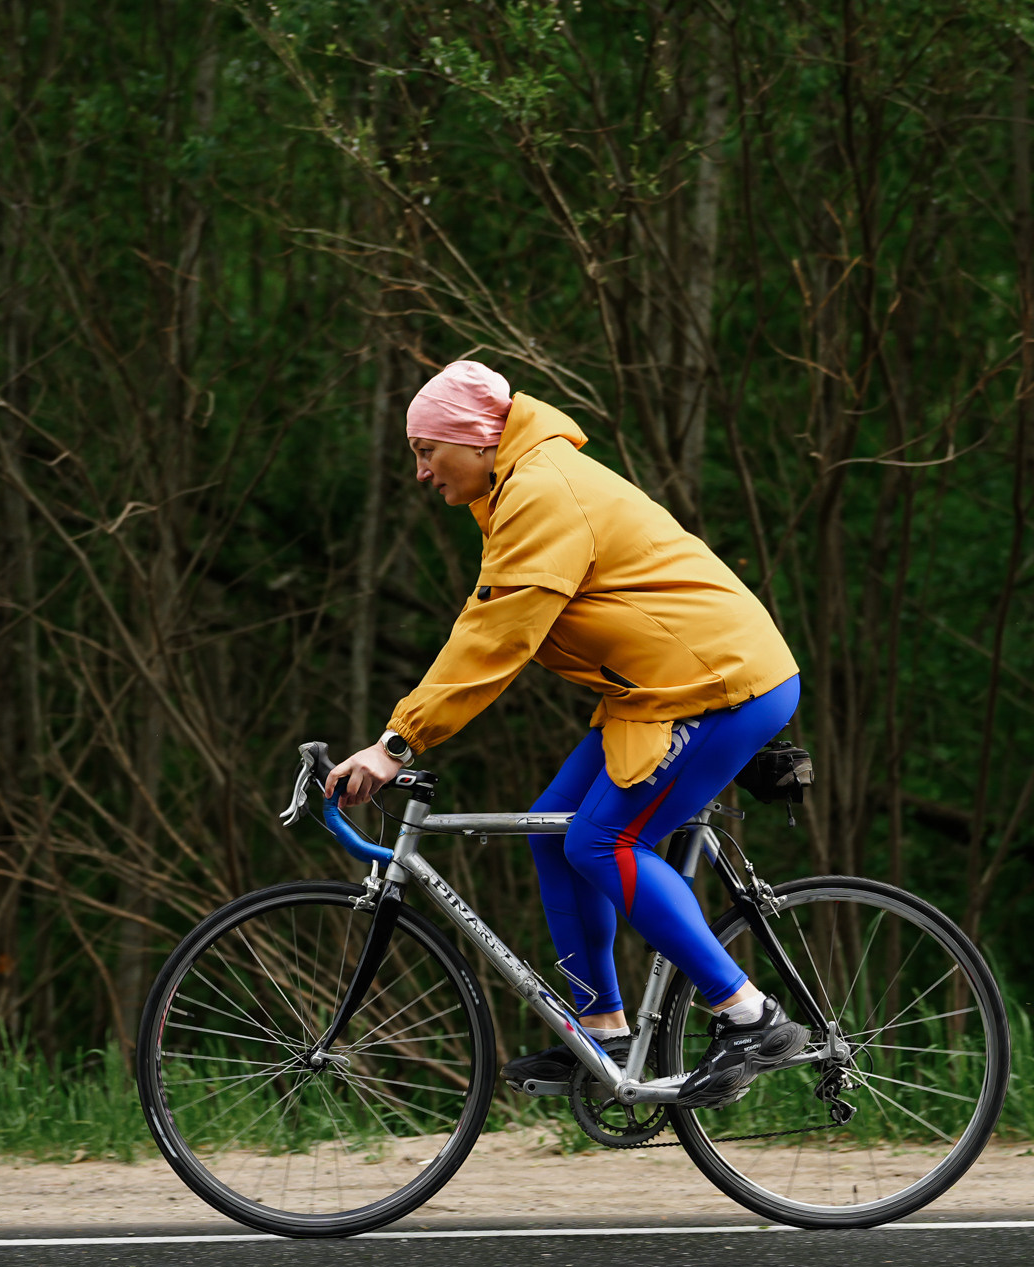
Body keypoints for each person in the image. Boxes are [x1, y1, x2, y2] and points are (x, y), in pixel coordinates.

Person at [324, 359, 805, 1108]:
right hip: (659, 693)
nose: (419, 472)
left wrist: (396, 744)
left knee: (601, 842)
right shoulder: (518, 486)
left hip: (718, 686)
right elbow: (493, 625)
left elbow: (494, 639)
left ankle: (751, 1018)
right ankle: (604, 1032)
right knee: (553, 832)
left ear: (478, 443)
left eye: (426, 450)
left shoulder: (543, 493)